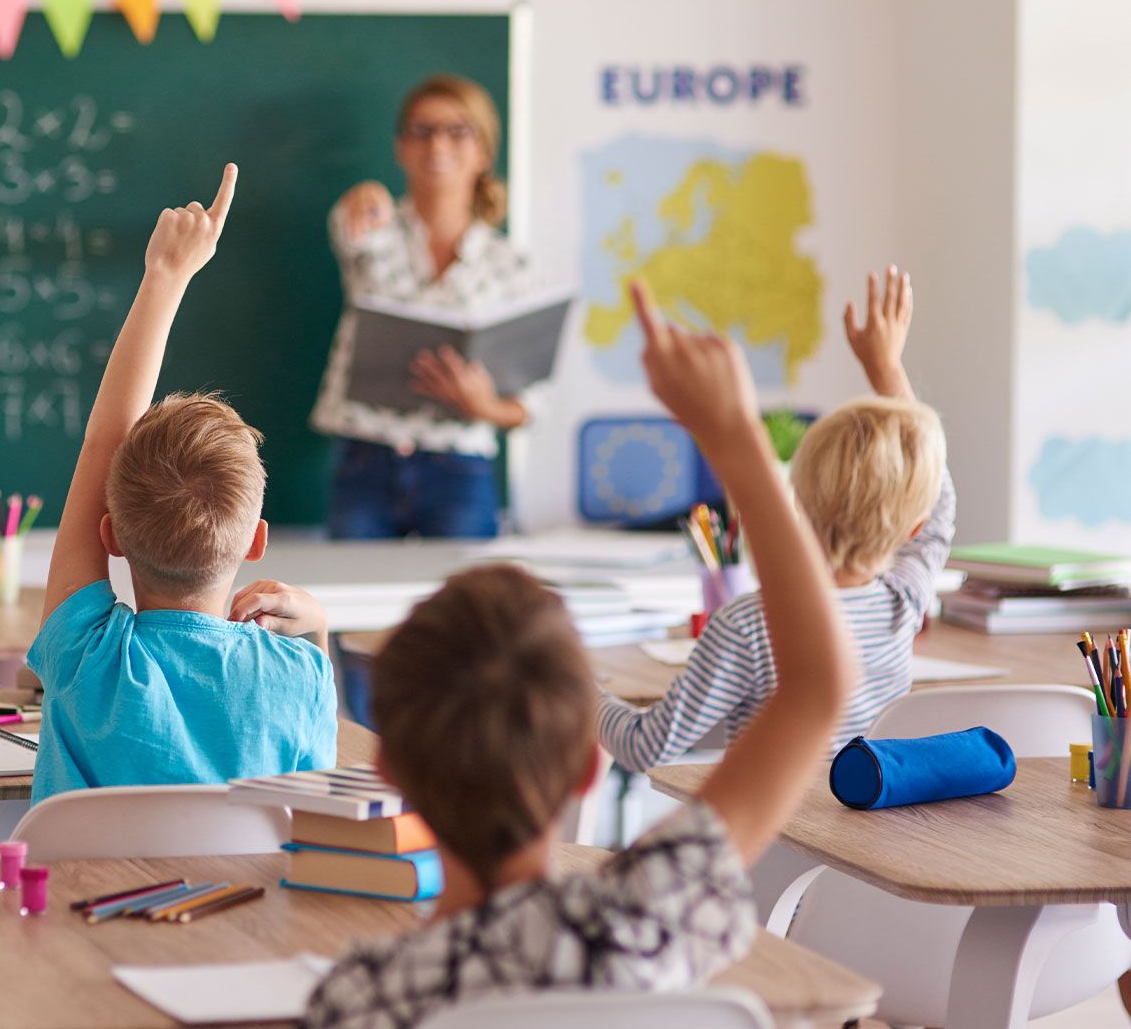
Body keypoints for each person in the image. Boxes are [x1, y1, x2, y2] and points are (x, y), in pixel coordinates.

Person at [301, 280, 861, 1027]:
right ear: (589, 763)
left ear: (390, 774)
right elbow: (819, 687)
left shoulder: (361, 997)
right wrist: (736, 440)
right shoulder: (645, 920)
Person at [29, 164, 338, 802]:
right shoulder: (298, 676)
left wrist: (164, 278)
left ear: (109, 535)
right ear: (256, 540)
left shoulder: (88, 661)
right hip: (246, 904)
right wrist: (318, 628)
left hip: (79, 904)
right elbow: (315, 809)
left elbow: (100, 444)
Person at [598, 266, 953, 771]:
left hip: (770, 842)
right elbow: (939, 506)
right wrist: (887, 369)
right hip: (859, 841)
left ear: (797, 501)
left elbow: (643, 746)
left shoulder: (748, 625)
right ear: (912, 529)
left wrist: (579, 690)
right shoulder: (904, 605)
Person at [310, 74, 536, 540]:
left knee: (466, 609)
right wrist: (364, 195)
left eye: (458, 131)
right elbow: (347, 228)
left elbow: (531, 402)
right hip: (365, 458)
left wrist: (486, 406)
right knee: (355, 603)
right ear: (401, 147)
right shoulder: (374, 228)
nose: (437, 144)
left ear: (484, 152)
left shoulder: (509, 264)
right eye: (422, 130)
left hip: (460, 468)